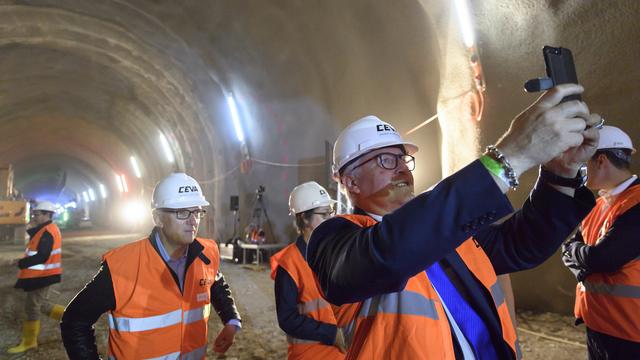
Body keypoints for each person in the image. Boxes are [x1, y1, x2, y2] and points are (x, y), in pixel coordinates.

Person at [306, 84, 602, 359]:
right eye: (386, 160)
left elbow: (521, 243)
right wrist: (507, 159)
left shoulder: (443, 231)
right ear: (350, 181)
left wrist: (560, 175)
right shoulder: (335, 241)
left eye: (403, 159)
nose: (402, 170)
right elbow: (391, 251)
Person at [60, 172, 241, 359]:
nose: (192, 220)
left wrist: (231, 320)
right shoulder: (123, 267)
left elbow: (216, 283)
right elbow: (74, 321)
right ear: (158, 218)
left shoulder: (206, 254)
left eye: (196, 211)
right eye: (181, 212)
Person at [562, 125, 640, 359]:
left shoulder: (635, 205)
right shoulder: (599, 205)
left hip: (630, 333)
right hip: (599, 324)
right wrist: (586, 267)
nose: (580, 169)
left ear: (601, 160)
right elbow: (567, 249)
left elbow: (603, 258)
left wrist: (584, 259)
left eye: (583, 162)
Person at [270, 181, 345, 359]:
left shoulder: (335, 254)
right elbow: (287, 318)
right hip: (310, 354)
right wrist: (331, 334)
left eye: (331, 213)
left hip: (342, 353)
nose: (330, 220)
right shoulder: (289, 263)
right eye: (324, 215)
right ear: (304, 218)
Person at [8, 200, 66, 354]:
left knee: (33, 307)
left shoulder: (47, 231)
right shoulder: (46, 229)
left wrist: (21, 262)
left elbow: (42, 256)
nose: (34, 216)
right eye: (33, 214)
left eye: (37, 214)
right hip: (43, 275)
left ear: (47, 214)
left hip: (42, 275)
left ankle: (29, 342)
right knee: (43, 305)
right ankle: (75, 318)